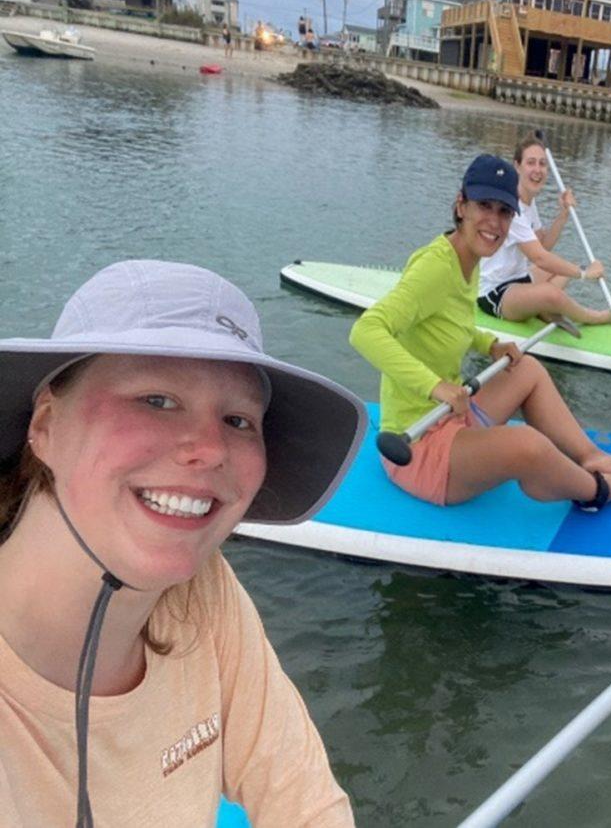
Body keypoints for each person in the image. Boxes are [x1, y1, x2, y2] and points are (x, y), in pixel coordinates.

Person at [0, 260, 365, 826]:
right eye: (157, 400)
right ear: (46, 423)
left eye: (239, 420)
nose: (211, 449)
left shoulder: (200, 592)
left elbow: (306, 802)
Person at [349, 154, 611, 510]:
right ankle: (597, 492)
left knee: (526, 368)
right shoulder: (436, 267)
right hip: (416, 447)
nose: (494, 221)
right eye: (484, 206)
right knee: (527, 444)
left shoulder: (468, 257)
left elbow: (451, 323)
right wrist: (436, 387)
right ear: (460, 205)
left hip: (451, 419)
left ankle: (589, 456)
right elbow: (367, 330)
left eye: (505, 211)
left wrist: (489, 343)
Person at [477, 134, 611, 326]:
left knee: (567, 269)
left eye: (542, 164)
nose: (537, 170)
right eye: (531, 163)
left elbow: (544, 245)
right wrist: (584, 274)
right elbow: (539, 257)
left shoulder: (529, 203)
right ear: (517, 166)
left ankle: (543, 310)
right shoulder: (511, 208)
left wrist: (564, 213)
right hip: (496, 292)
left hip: (519, 279)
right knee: (553, 292)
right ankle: (593, 317)